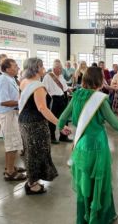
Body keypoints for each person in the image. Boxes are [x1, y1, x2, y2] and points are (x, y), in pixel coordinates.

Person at [58, 67, 118, 224]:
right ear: (100, 81)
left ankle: (84, 216)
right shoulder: (100, 99)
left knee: (85, 182)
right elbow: (115, 123)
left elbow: (63, 117)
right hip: (98, 147)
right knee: (101, 182)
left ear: (84, 79)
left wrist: (61, 127)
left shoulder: (76, 95)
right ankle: (101, 217)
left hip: (81, 145)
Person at [19, 57, 71, 195]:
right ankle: (33, 184)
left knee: (29, 152)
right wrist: (59, 124)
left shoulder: (24, 82)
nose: (44, 69)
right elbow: (43, 108)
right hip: (35, 123)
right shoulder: (38, 87)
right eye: (42, 66)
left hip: (24, 121)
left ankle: (31, 179)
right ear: (37, 68)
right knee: (37, 153)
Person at [0, 58, 27, 181]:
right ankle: (10, 172)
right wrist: (23, 101)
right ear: (7, 69)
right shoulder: (3, 81)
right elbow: (4, 101)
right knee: (12, 144)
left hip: (11, 113)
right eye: (15, 66)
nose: (18, 67)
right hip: (7, 114)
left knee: (13, 142)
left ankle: (10, 167)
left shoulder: (10, 78)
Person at [42, 59, 72, 144]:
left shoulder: (61, 76)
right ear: (54, 68)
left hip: (62, 98)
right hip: (53, 100)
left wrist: (71, 92)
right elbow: (44, 89)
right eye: (59, 68)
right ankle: (52, 137)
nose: (61, 70)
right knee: (52, 119)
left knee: (64, 118)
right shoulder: (48, 76)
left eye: (61, 68)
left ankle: (64, 136)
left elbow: (65, 87)